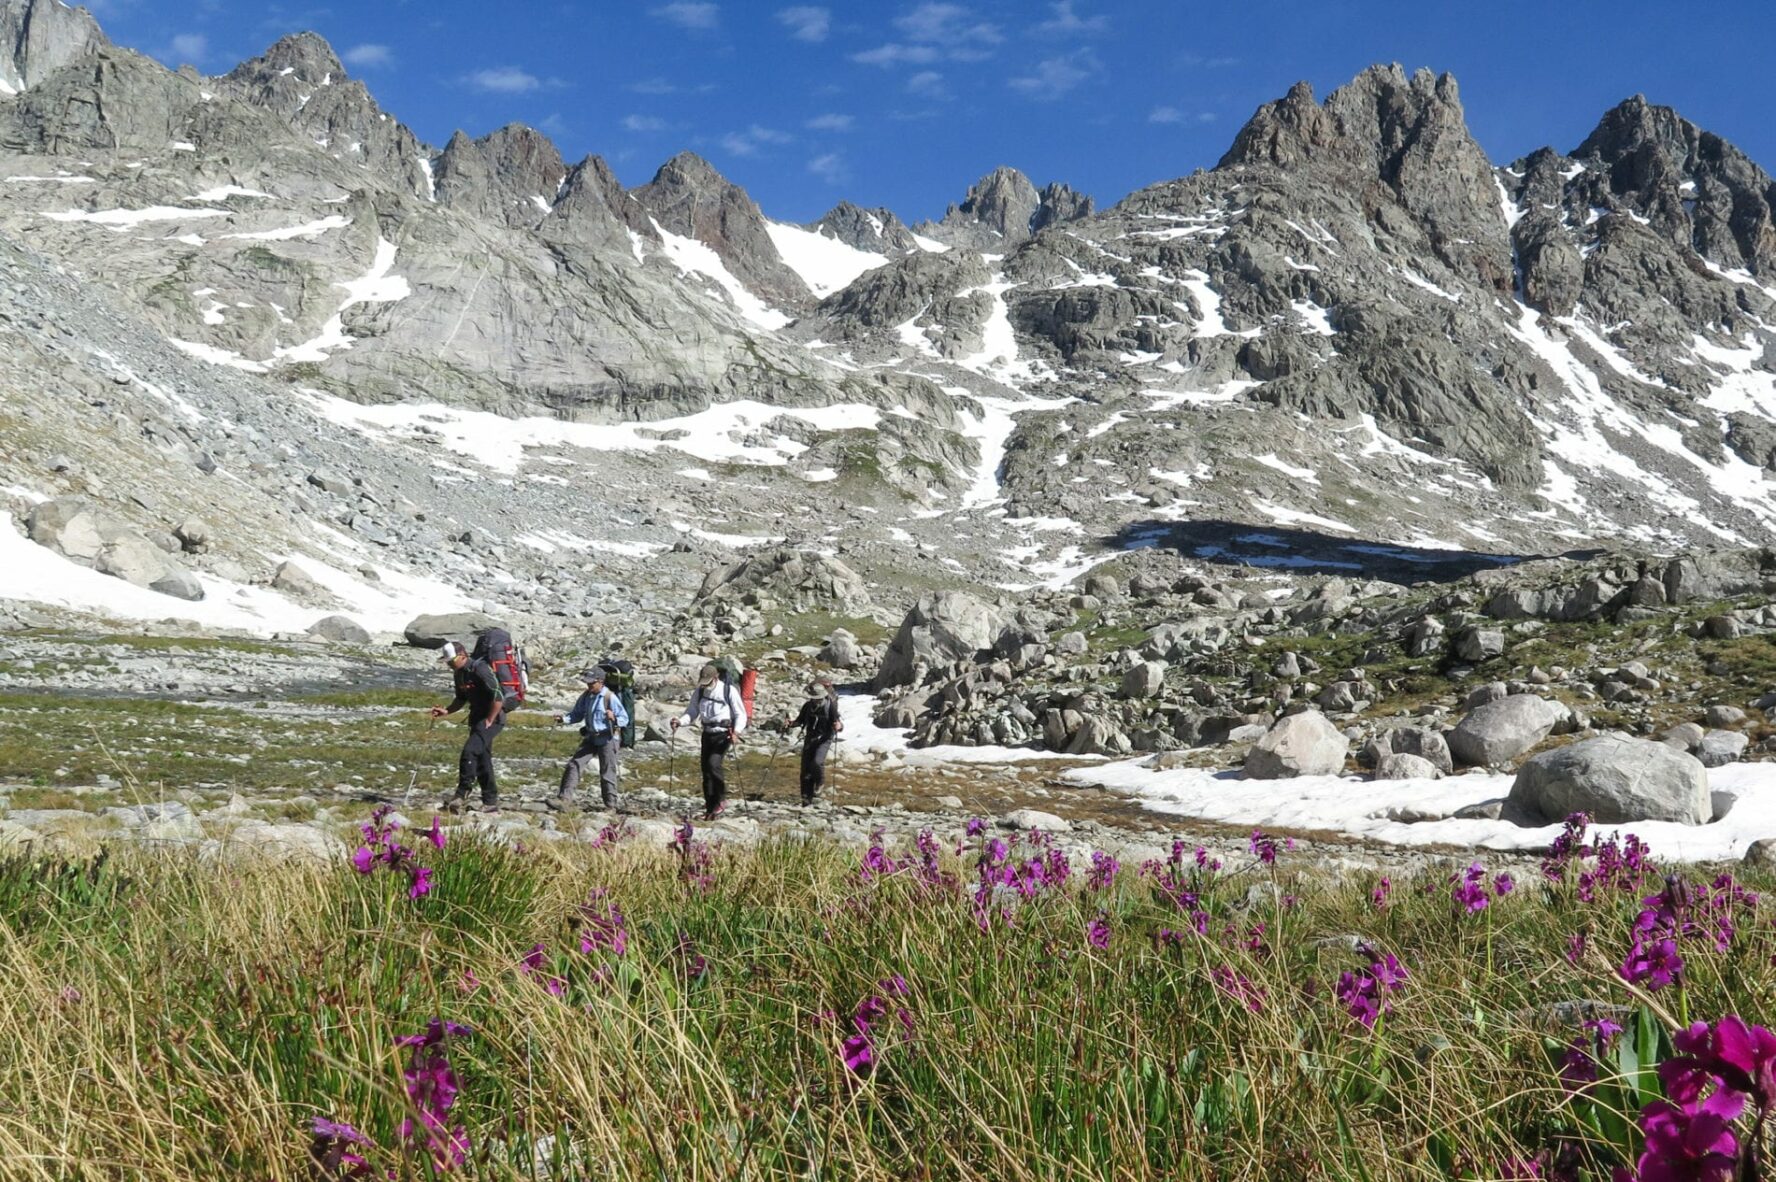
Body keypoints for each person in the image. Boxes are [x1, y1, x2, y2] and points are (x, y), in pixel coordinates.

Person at [431, 640, 505, 812]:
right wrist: (447, 711)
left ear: (462, 656)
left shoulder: (480, 669)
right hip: (477, 718)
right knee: (483, 758)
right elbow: (461, 698)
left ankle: (461, 794)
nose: (449, 665)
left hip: (492, 718)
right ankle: (490, 801)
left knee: (469, 752)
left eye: (451, 661)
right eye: (447, 662)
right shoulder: (459, 674)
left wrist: (490, 720)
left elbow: (498, 696)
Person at [671, 663, 747, 820]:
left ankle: (721, 799)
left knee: (713, 765)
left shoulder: (728, 691)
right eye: (703, 682)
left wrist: (737, 731)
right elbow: (692, 711)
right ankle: (710, 809)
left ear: (715, 678)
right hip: (707, 733)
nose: (705, 685)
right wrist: (680, 721)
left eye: (707, 682)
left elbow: (740, 714)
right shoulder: (699, 691)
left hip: (724, 734)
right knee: (706, 772)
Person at [553, 667, 630, 812]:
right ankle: (564, 799)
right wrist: (563, 719)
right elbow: (576, 714)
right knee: (574, 764)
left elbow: (625, 719)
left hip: (608, 738)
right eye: (587, 683)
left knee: (607, 771)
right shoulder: (586, 696)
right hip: (591, 736)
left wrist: (614, 718)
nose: (589, 686)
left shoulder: (610, 697)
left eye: (591, 683)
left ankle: (610, 805)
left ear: (600, 682)